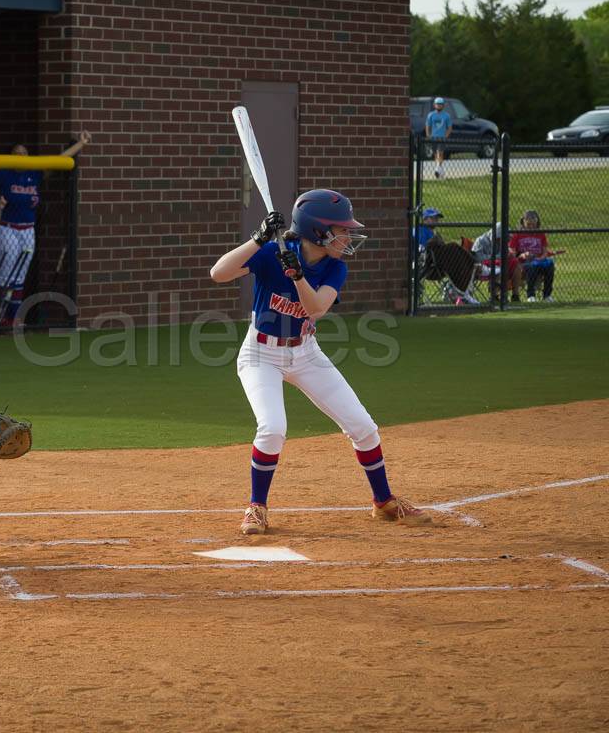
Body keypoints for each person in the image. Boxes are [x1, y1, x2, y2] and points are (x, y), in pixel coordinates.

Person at [209, 189, 431, 534]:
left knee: (364, 427)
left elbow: (315, 308)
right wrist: (258, 239)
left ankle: (383, 501)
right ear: (317, 231)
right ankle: (257, 507)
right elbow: (218, 273)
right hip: (261, 354)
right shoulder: (272, 254)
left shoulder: (334, 268)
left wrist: (297, 277)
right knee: (272, 429)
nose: (347, 236)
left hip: (306, 353)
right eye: (341, 230)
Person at [0, 131, 92, 324]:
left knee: (19, 276)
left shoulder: (33, 173)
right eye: (16, 153)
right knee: (5, 275)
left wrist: (81, 144)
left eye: (24, 153)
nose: (21, 157)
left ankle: (13, 319)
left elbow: (58, 160)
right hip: (5, 228)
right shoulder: (3, 174)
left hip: (27, 229)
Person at [510, 210, 556, 302]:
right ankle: (531, 295)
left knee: (550, 264)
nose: (531, 226)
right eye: (528, 224)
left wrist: (540, 258)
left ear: (537, 223)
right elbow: (512, 252)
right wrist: (522, 255)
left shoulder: (541, 234)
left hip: (539, 260)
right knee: (532, 266)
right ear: (523, 223)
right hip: (524, 262)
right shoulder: (517, 234)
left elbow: (544, 251)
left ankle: (547, 295)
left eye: (533, 224)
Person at [471, 222, 522, 303]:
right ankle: (495, 296)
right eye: (500, 238)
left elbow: (503, 255)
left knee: (516, 263)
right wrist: (496, 258)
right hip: (482, 266)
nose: (502, 240)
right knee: (499, 265)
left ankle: (515, 295)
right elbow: (477, 258)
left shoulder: (502, 242)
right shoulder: (480, 240)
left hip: (499, 264)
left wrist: (508, 255)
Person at [424, 97, 452, 179]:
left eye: (440, 104)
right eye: (437, 104)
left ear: (443, 106)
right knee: (436, 154)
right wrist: (428, 135)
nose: (439, 106)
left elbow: (449, 128)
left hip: (442, 138)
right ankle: (441, 171)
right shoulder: (431, 115)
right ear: (434, 105)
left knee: (440, 152)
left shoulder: (447, 116)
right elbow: (427, 126)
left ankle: (436, 169)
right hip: (433, 137)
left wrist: (445, 136)